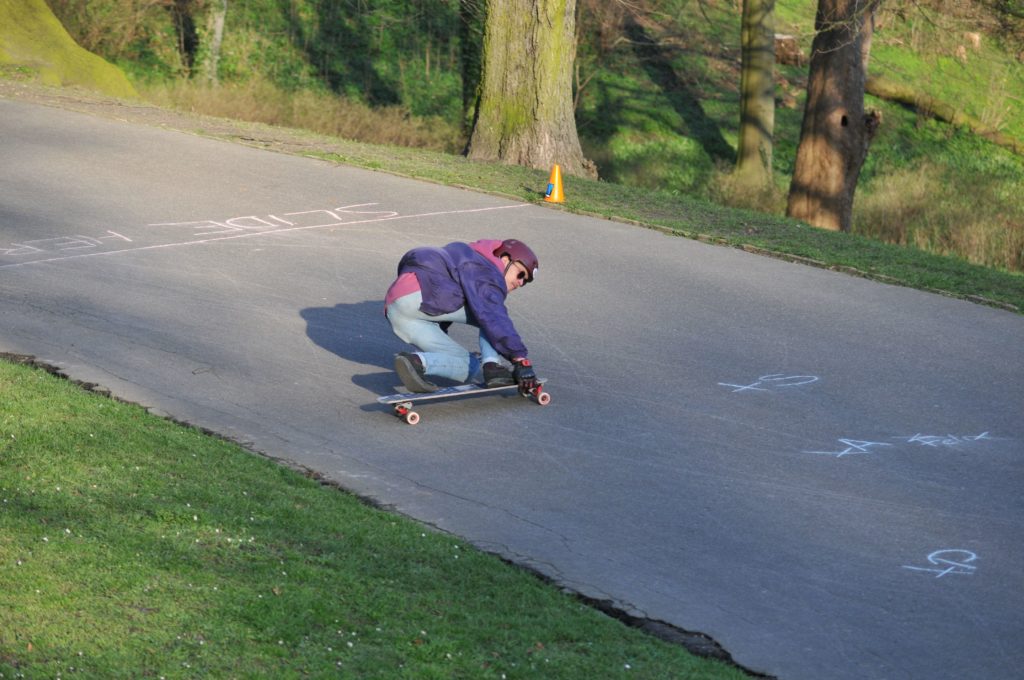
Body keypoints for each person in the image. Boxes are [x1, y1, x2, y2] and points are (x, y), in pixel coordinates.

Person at [384, 238, 539, 393]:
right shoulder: (485, 269)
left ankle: (417, 362)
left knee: (469, 367)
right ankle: (492, 366)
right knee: (491, 314)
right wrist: (520, 360)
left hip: (396, 309)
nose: (520, 283)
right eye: (520, 274)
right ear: (505, 259)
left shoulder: (464, 257)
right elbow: (492, 316)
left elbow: (442, 300)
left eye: (525, 282)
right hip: (420, 296)